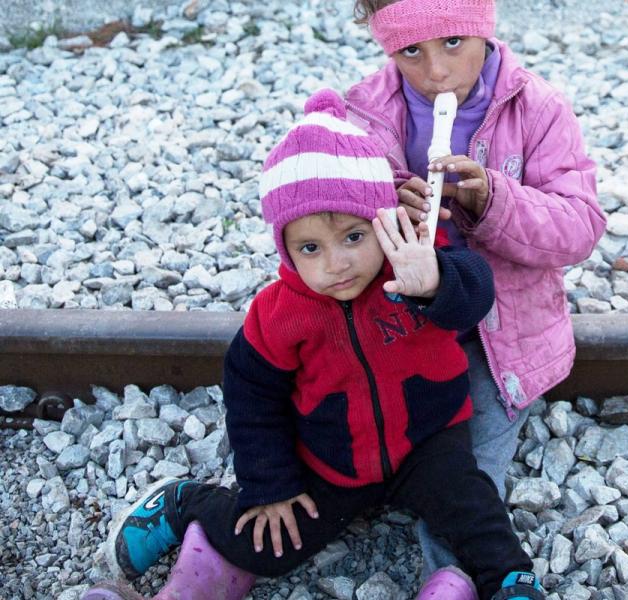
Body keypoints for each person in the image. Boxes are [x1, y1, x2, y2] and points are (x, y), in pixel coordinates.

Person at [81, 89, 544, 600]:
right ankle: (187, 504)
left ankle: (512, 582)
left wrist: (434, 280)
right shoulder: (279, 313)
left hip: (428, 441)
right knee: (269, 539)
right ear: (286, 247)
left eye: (353, 237)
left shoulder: (412, 262)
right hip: (330, 461)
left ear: (383, 220)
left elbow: (475, 295)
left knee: (473, 507)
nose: (336, 263)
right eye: (310, 248)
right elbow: (252, 397)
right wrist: (270, 485)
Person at [344, 0, 606, 594]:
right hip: (399, 324)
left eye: (454, 43)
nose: (436, 71)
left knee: (468, 459)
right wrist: (386, 209)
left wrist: (493, 200)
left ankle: (454, 575)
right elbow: (329, 228)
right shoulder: (364, 111)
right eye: (411, 51)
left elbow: (580, 227)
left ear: (484, 28)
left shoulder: (535, 108)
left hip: (498, 336)